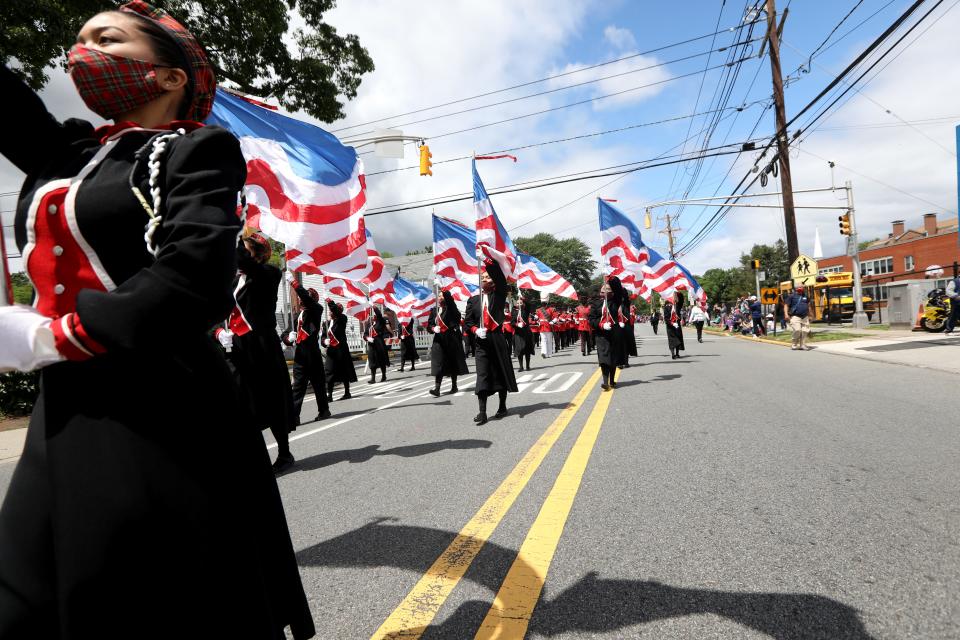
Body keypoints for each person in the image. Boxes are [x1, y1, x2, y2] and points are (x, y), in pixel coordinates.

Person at [0, 3, 315, 637]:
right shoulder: (66, 151)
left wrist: (56, 334)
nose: (80, 51)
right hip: (64, 402)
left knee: (144, 603)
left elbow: (194, 277)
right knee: (23, 600)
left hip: (162, 399)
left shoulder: (200, 149)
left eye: (106, 38)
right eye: (78, 40)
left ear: (170, 76)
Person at [224, 234, 298, 474]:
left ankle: (285, 453)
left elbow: (244, 261)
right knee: (242, 401)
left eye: (244, 247)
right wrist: (218, 333)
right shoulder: (233, 281)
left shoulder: (269, 274)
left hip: (262, 346)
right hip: (237, 348)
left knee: (271, 399)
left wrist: (230, 228)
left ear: (256, 251)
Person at [464, 259, 518, 424]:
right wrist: (475, 330)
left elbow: (501, 279)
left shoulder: (499, 293)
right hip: (481, 342)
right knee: (482, 375)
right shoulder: (473, 300)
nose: (484, 279)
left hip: (497, 338)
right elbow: (468, 322)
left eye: (487, 277)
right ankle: (482, 412)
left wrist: (487, 260)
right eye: (482, 278)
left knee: (501, 372)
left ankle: (502, 406)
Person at [285, 272, 331, 424]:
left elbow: (305, 297)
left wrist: (294, 282)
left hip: (311, 352)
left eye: (305, 296)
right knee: (298, 385)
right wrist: (288, 338)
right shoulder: (297, 315)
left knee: (318, 384)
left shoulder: (316, 310)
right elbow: (285, 333)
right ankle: (294, 416)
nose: (300, 298)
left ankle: (324, 410)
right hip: (300, 353)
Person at [427, 291, 470, 396]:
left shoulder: (451, 308)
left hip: (451, 338)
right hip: (439, 340)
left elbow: (450, 302)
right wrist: (433, 328)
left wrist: (445, 290)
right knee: (438, 362)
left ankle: (454, 385)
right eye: (439, 295)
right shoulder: (434, 310)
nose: (440, 297)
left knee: (452, 362)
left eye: (442, 295)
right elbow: (429, 325)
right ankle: (437, 388)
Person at [589, 277, 626, 390]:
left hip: (614, 333)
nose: (604, 291)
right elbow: (591, 319)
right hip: (601, 334)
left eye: (607, 290)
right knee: (604, 359)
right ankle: (605, 382)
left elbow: (619, 289)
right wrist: (601, 325)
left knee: (613, 358)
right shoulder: (596, 304)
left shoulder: (615, 301)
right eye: (603, 290)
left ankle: (612, 380)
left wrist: (611, 279)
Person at [324, 299, 357, 399]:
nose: (330, 312)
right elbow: (323, 336)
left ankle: (347, 392)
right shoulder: (327, 323)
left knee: (344, 370)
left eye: (332, 311)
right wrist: (324, 342)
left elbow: (336, 312)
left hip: (341, 350)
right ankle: (329, 395)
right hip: (331, 350)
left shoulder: (342, 319)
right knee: (329, 371)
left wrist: (330, 302)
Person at [364, 306, 391, 384]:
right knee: (372, 361)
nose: (373, 316)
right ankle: (373, 378)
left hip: (379, 343)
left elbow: (379, 314)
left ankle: (383, 375)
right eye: (372, 315)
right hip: (371, 345)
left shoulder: (381, 321)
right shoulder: (369, 324)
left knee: (381, 360)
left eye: (374, 315)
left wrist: (374, 307)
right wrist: (367, 338)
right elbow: (365, 334)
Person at [784, 285, 812, 350]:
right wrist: (786, 314)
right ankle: (794, 344)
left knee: (805, 331)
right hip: (795, 316)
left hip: (805, 317)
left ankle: (802, 345)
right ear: (796, 289)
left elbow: (809, 306)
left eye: (802, 287)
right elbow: (786, 305)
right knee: (797, 330)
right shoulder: (791, 296)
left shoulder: (806, 297)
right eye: (799, 287)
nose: (800, 288)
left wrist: (811, 315)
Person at [513, 296, 536, 371]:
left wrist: (523, 299)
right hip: (518, 333)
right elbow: (512, 322)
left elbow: (529, 305)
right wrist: (516, 325)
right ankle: (521, 366)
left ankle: (527, 366)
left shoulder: (525, 310)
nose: (519, 304)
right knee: (520, 349)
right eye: (518, 303)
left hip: (526, 332)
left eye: (520, 303)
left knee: (527, 349)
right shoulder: (514, 311)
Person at [663, 295, 685, 359]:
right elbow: (666, 318)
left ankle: (677, 353)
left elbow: (681, 299)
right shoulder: (667, 307)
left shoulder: (677, 305)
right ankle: (673, 354)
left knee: (678, 338)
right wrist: (671, 323)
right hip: (670, 326)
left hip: (677, 325)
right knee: (672, 340)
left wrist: (678, 292)